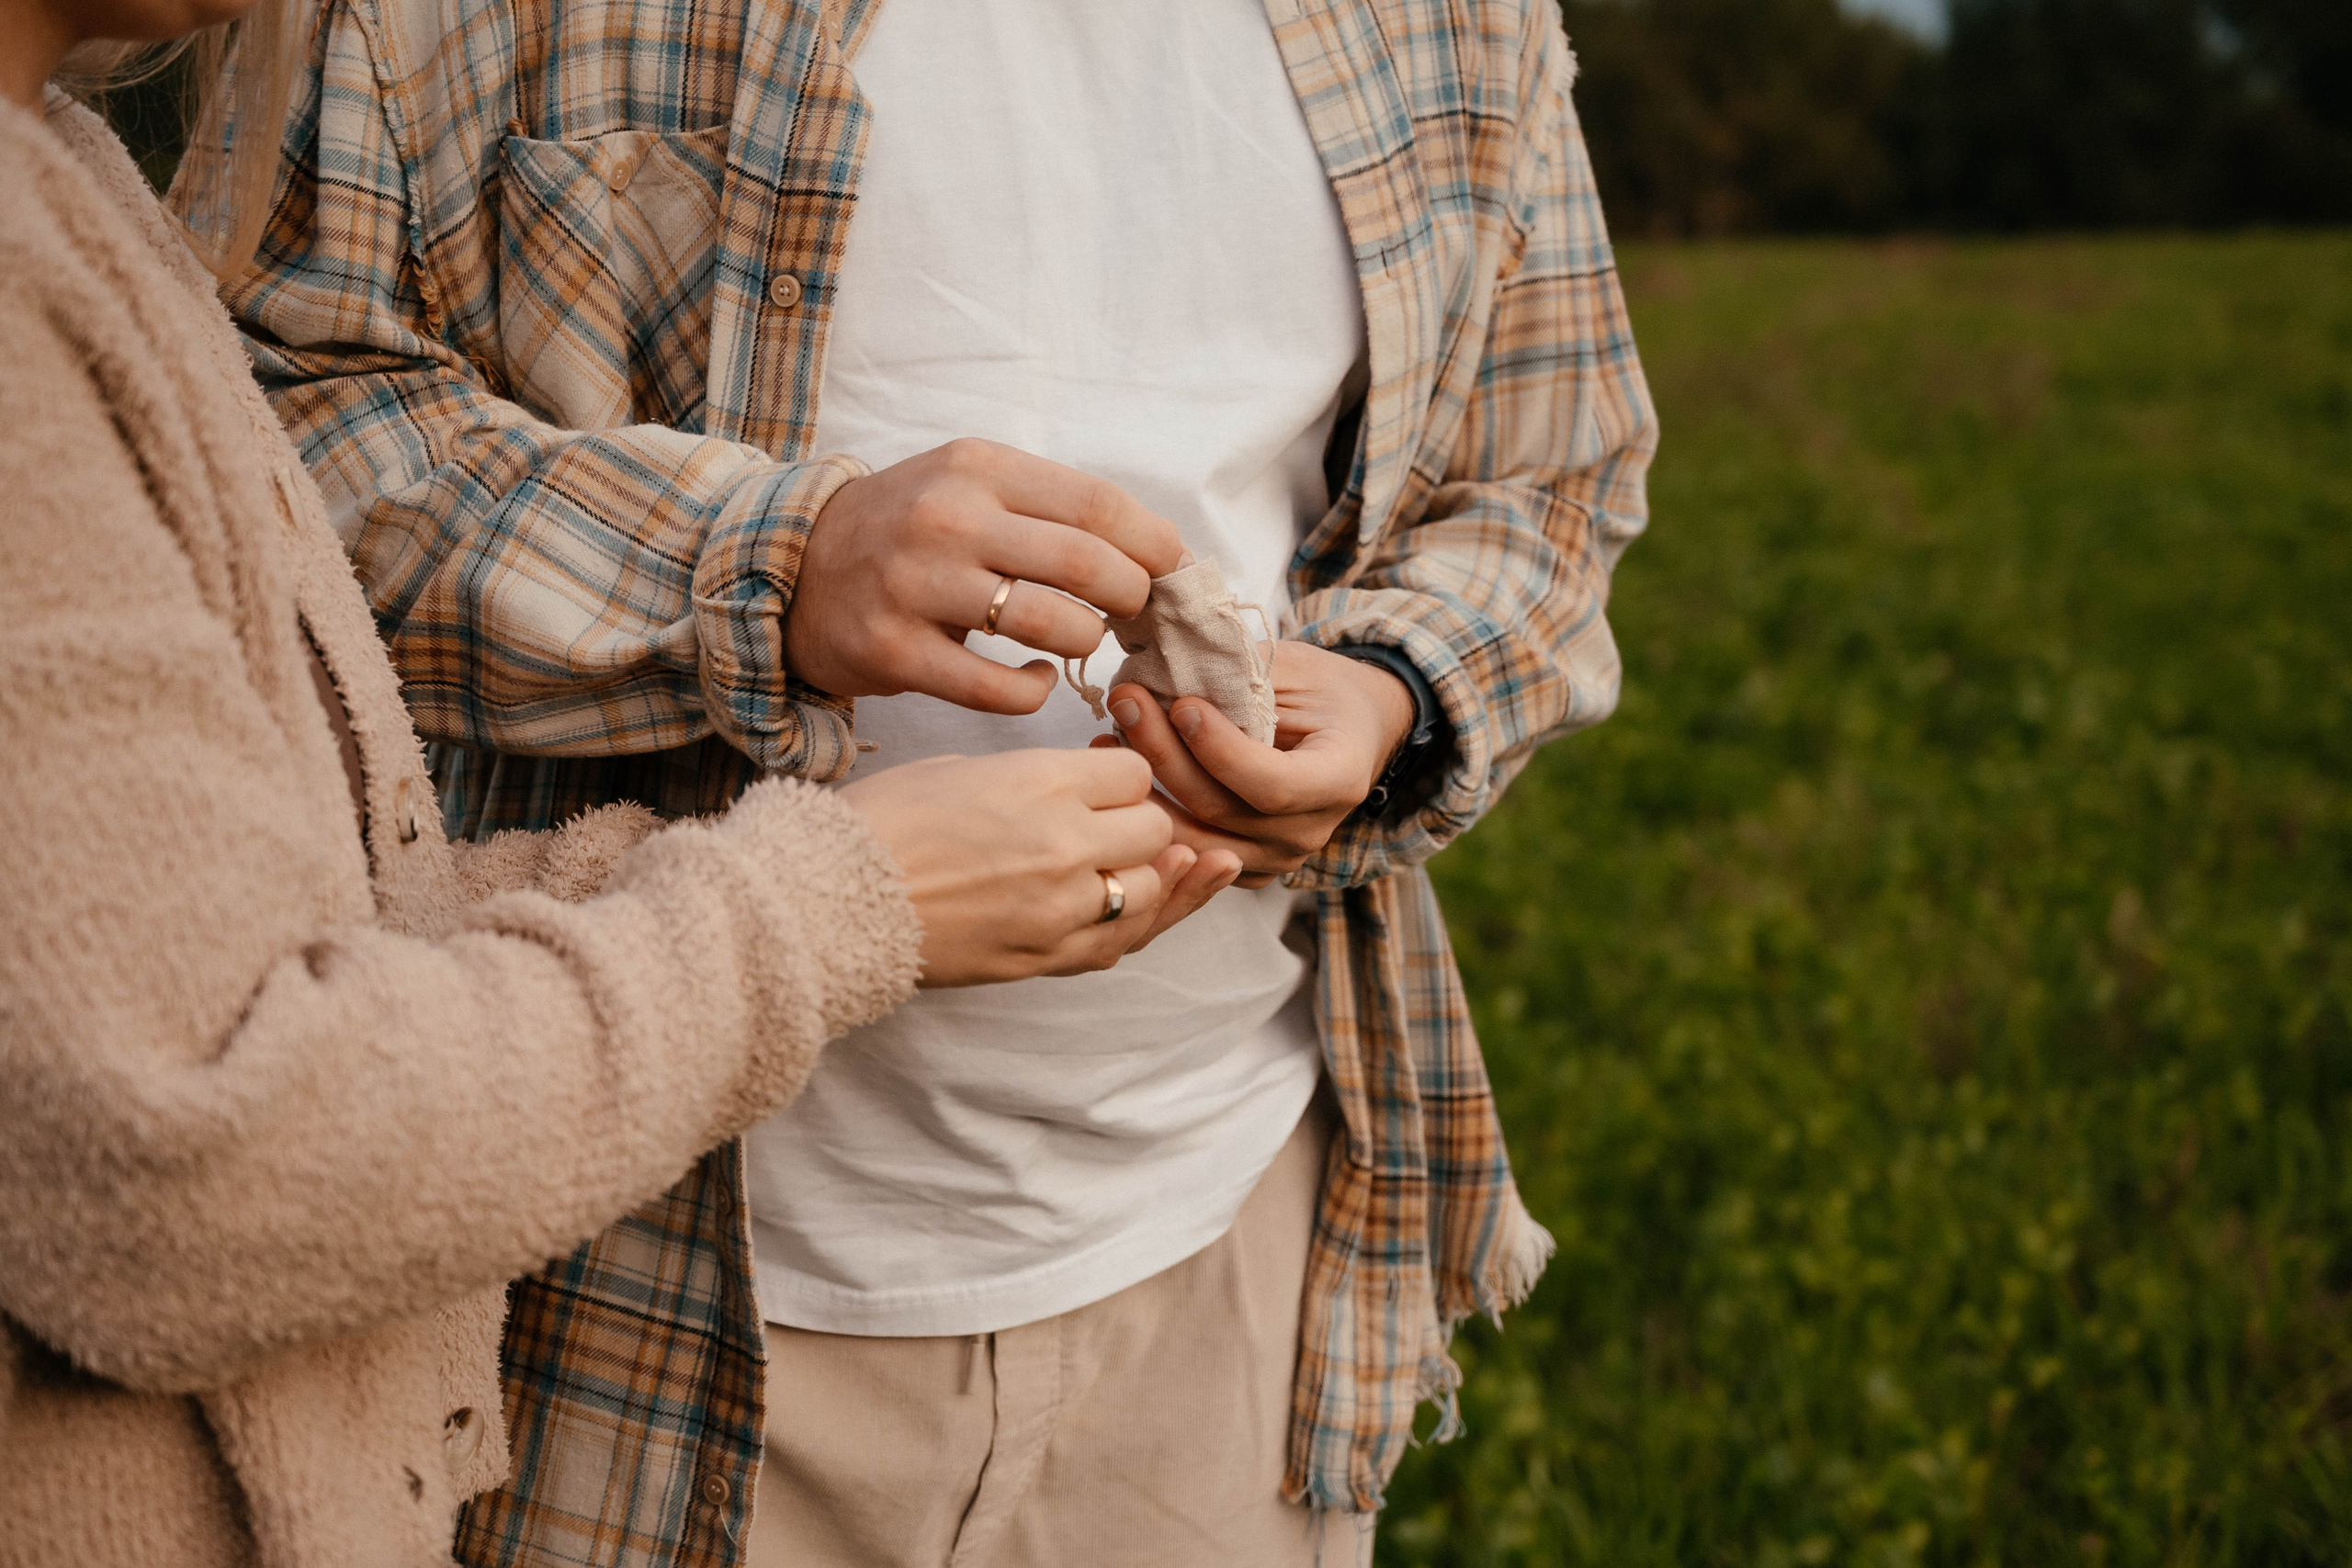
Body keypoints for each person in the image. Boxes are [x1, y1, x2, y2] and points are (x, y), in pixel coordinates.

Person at [224, 0, 1660, 1559]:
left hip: (1230, 1255)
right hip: (633, 1295)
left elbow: (1550, 478)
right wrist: (762, 574)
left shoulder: (1460, 19)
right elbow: (274, 423)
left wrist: (1389, 692)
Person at [0, 1, 1222, 1562]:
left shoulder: (73, 183)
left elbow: (265, 937)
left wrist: (1394, 693)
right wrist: (846, 892)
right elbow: (181, 1167)